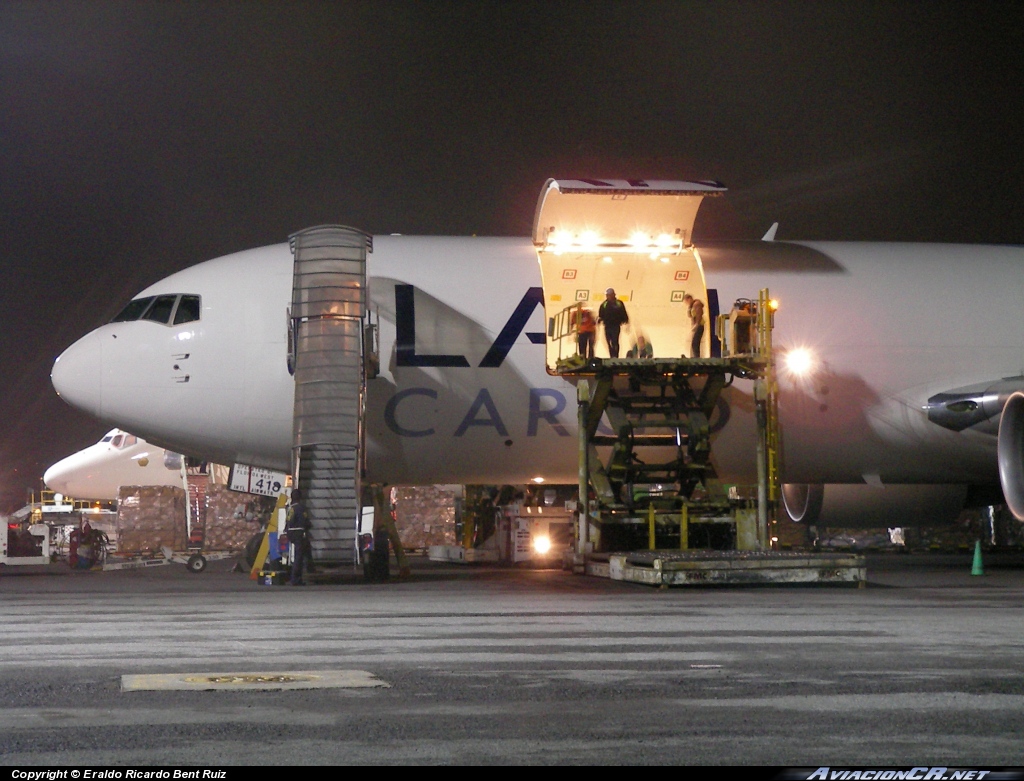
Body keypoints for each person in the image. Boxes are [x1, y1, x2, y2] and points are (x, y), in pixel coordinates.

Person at [285, 488, 312, 585]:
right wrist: (309, 526)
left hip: (290, 532)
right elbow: (304, 521)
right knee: (298, 557)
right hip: (298, 532)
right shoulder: (300, 508)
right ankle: (296, 579)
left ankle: (310, 568)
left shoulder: (290, 507)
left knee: (306, 550)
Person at [597, 288, 629, 358]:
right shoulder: (604, 304)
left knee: (615, 341)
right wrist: (599, 320)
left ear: (613, 295)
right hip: (607, 326)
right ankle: (612, 355)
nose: (608, 296)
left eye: (609, 295)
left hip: (616, 325)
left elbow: (623, 312)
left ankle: (616, 355)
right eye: (607, 295)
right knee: (609, 342)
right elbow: (601, 315)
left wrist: (625, 320)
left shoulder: (619, 303)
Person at [683, 294, 705, 358]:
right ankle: (695, 356)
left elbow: (699, 314)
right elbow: (690, 315)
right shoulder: (692, 306)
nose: (686, 303)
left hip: (699, 325)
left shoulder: (697, 304)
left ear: (689, 299)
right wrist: (689, 307)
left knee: (695, 343)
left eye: (686, 301)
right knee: (694, 343)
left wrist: (697, 324)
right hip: (696, 326)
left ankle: (696, 357)